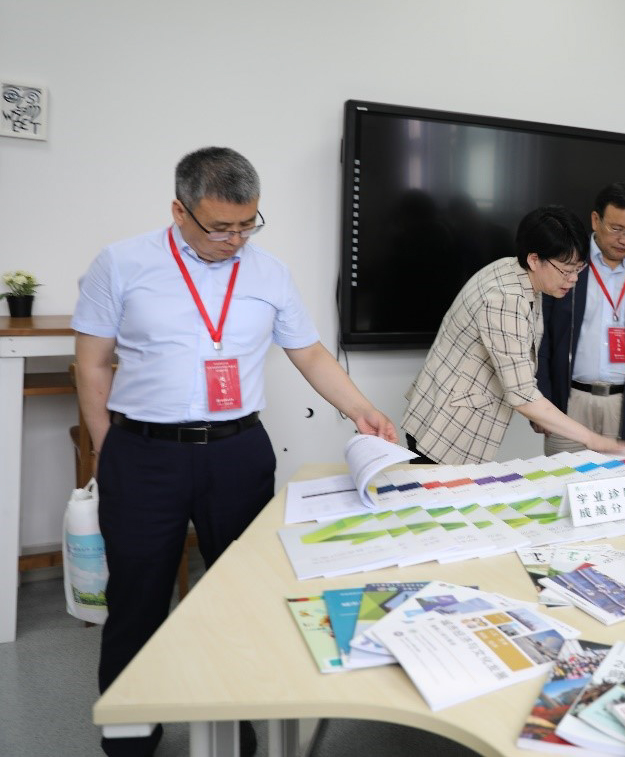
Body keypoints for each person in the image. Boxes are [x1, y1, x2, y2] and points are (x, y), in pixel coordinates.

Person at [72, 146, 398, 757]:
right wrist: (107, 448)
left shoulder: (269, 272)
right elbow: (91, 363)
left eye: (248, 225)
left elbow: (309, 352)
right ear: (180, 211)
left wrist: (362, 409)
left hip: (237, 451)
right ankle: (130, 734)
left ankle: (236, 724)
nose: (236, 240)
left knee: (240, 595)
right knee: (137, 597)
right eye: (221, 227)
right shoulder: (121, 263)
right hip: (144, 451)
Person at [401, 206, 625, 464]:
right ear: (534, 259)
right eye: (567, 270)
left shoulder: (516, 271)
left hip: (448, 415)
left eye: (579, 268)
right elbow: (521, 395)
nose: (574, 279)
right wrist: (592, 439)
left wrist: (541, 411)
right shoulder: (505, 298)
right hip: (445, 429)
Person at [536, 183, 625, 453]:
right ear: (595, 220)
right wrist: (542, 400)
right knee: (561, 476)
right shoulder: (563, 267)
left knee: (624, 477)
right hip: (570, 403)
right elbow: (542, 338)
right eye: (617, 229)